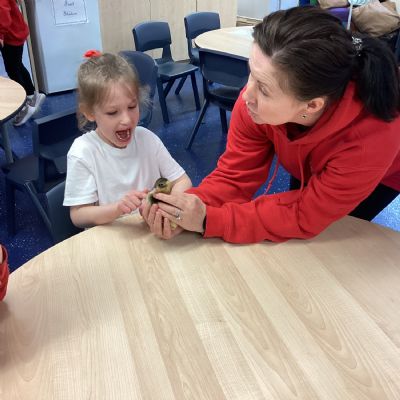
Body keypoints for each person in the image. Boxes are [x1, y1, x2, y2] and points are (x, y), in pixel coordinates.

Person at [141, 6, 400, 243]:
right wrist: (186, 206)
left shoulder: (371, 139)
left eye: (264, 88)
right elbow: (235, 177)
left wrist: (210, 220)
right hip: (318, 142)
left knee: (334, 236)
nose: (246, 95)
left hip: (383, 171)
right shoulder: (256, 103)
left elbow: (304, 214)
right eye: (251, 73)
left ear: (311, 105)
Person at [64, 52, 191, 228]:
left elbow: (183, 181)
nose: (126, 119)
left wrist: (167, 205)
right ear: (89, 113)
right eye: (112, 112)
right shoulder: (83, 152)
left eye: (132, 106)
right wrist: (118, 208)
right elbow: (79, 215)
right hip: (112, 237)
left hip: (150, 232)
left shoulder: (147, 139)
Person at [0, 0, 45, 126]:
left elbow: (3, 14)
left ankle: (24, 105)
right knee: (17, 65)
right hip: (16, 32)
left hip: (10, 36)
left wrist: (0, 34)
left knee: (13, 70)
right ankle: (31, 96)